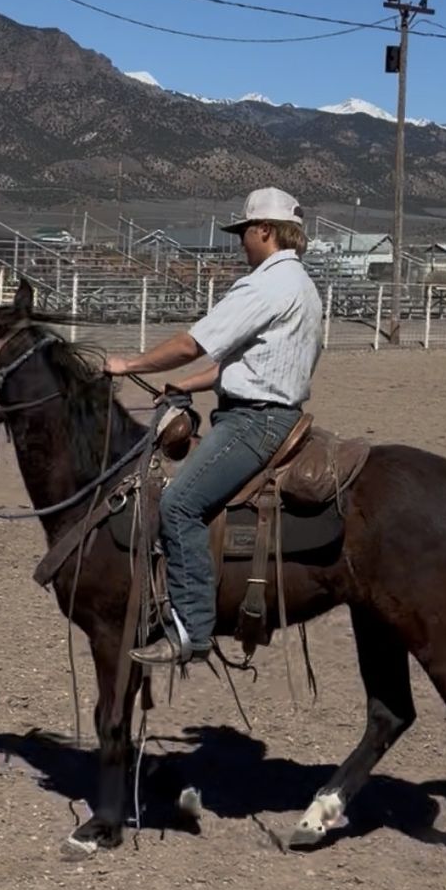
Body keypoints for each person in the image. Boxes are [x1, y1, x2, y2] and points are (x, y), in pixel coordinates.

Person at [104, 187, 323, 665]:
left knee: (180, 504)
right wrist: (184, 385)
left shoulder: (266, 285)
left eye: (244, 232)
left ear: (264, 231)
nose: (241, 242)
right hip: (270, 411)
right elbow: (243, 363)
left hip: (254, 420)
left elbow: (192, 343)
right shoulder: (301, 285)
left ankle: (192, 629)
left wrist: (130, 364)